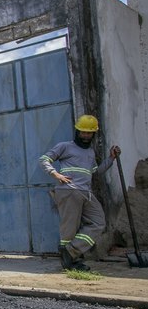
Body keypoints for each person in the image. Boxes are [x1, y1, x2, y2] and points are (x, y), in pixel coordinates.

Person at [39, 114, 121, 270]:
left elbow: (96, 171)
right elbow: (44, 159)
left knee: (99, 222)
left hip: (85, 192)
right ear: (77, 131)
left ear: (93, 134)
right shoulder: (65, 146)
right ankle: (69, 262)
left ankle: (71, 251)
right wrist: (55, 174)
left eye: (89, 133)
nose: (85, 136)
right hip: (69, 190)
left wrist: (111, 158)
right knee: (69, 227)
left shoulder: (90, 152)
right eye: (83, 132)